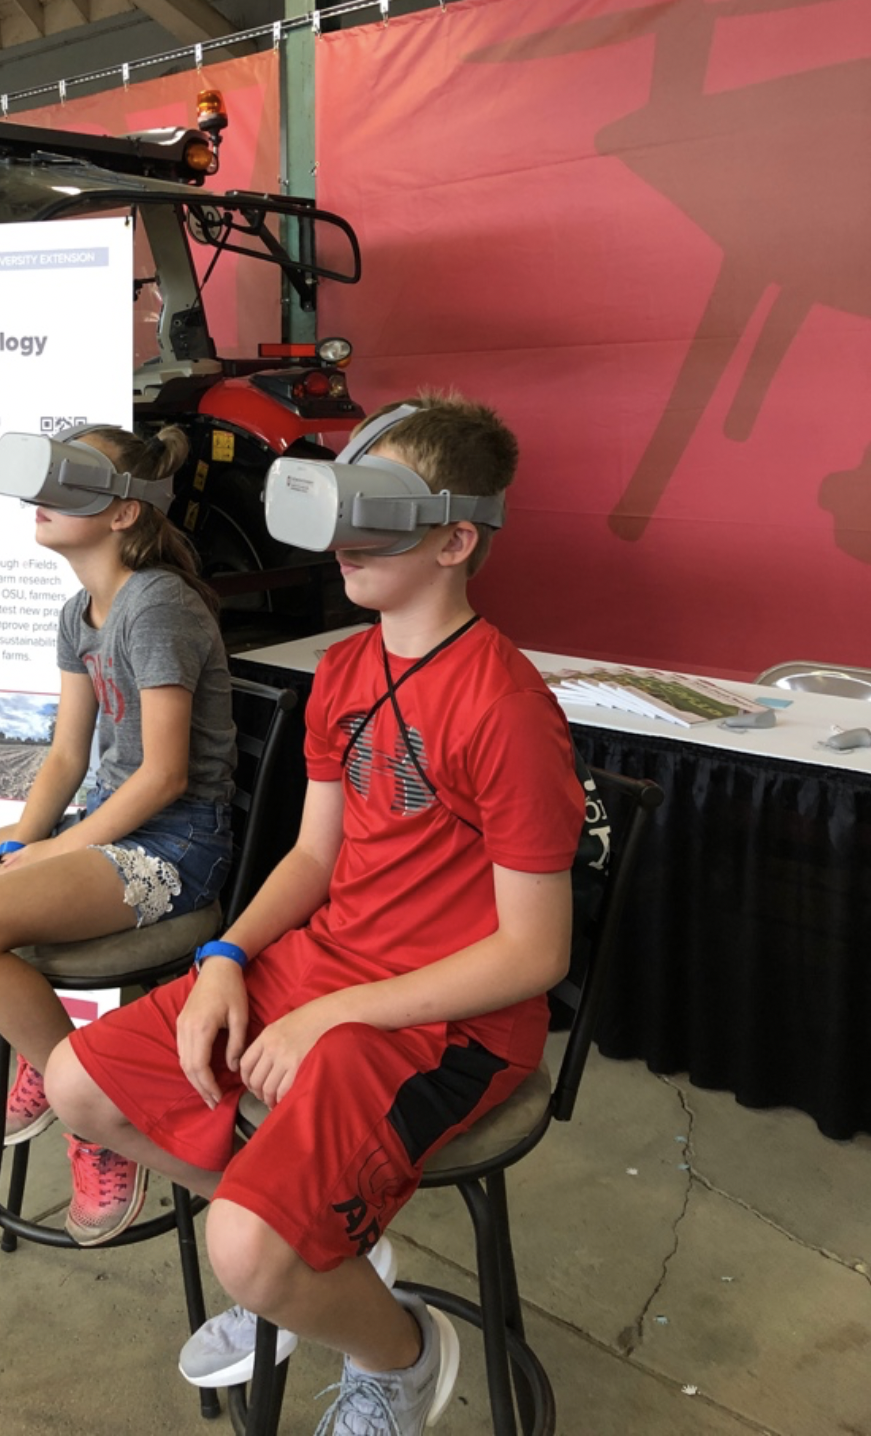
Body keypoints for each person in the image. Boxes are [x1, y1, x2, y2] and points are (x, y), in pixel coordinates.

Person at [44, 395, 588, 1433]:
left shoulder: (506, 708)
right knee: (79, 1082)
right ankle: (321, 1255)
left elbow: (534, 949)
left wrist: (341, 1016)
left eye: (370, 511)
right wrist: (222, 955)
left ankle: (398, 1350)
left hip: (451, 1024)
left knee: (242, 1249)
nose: (340, 539)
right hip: (325, 966)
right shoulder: (343, 669)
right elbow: (312, 854)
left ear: (454, 536)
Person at [0, 425, 235, 1245]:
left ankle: (94, 1116)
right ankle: (59, 1065)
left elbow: (164, 776)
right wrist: (25, 846)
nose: (41, 499)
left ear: (120, 513)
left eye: (68, 482)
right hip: (104, 828)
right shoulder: (79, 610)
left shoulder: (158, 603)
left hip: (175, 844)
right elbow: (69, 753)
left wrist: (46, 857)